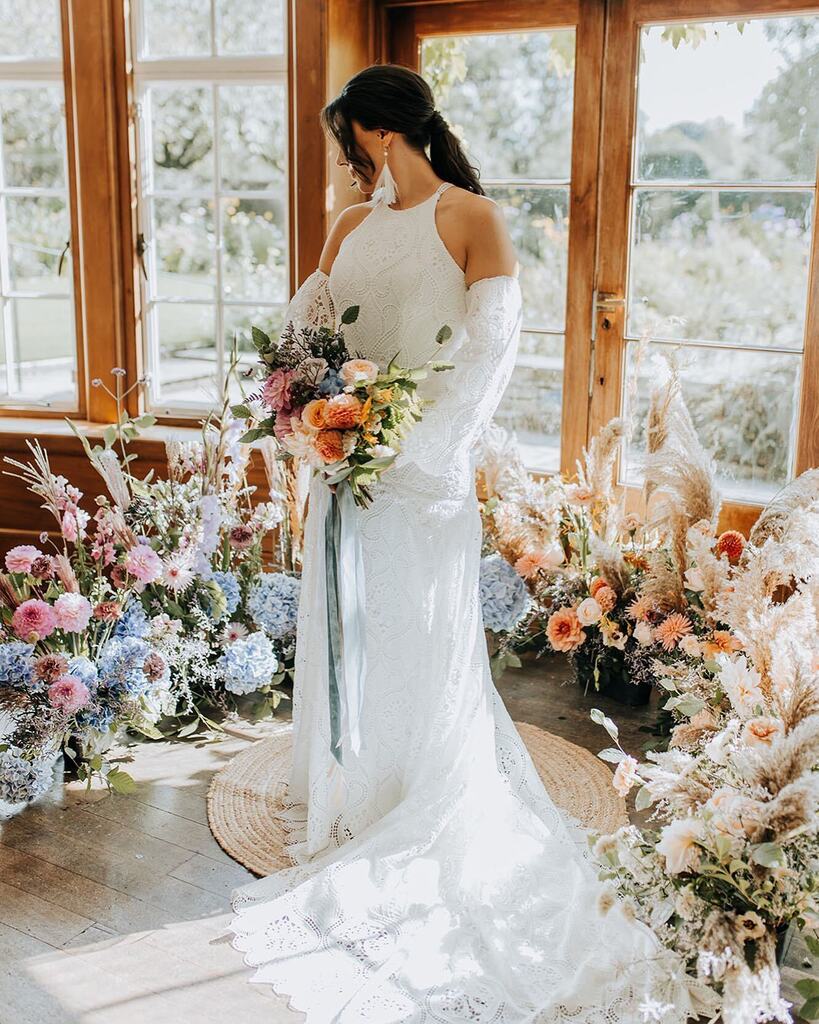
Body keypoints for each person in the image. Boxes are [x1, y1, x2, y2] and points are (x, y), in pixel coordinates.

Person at [225, 64, 707, 1023]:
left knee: (415, 633)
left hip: (418, 480)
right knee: (349, 628)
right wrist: (308, 413)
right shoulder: (349, 225)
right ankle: (346, 784)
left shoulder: (473, 218)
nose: (346, 153)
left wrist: (404, 445)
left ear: (375, 128)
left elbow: (492, 355)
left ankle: (412, 789)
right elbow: (301, 336)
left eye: (348, 134)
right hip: (340, 471)